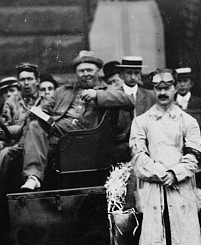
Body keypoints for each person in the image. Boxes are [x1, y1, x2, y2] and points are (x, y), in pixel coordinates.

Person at [130, 68, 201, 245]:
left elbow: (193, 155)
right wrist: (161, 173)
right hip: (153, 186)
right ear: (153, 90)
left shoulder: (188, 122)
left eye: (167, 86)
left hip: (180, 186)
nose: (162, 91)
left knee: (184, 233)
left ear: (176, 88)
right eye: (157, 87)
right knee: (153, 236)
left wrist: (176, 173)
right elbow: (138, 157)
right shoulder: (141, 122)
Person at [20, 50, 134, 191]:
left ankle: (35, 176)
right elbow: (45, 108)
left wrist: (97, 94)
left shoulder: (109, 89)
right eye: (81, 71)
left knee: (31, 147)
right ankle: (33, 178)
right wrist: (39, 112)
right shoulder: (63, 91)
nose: (85, 74)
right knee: (34, 128)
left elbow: (129, 101)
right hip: (58, 130)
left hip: (86, 135)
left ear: (98, 70)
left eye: (89, 70)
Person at [0, 63, 43, 191]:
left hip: (31, 142)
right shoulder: (12, 102)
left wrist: (16, 130)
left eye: (30, 79)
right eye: (22, 79)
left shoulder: (46, 100)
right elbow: (4, 125)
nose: (26, 83)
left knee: (5, 153)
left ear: (37, 81)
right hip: (10, 140)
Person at [114, 56, 156, 162]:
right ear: (121, 74)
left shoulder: (150, 95)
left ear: (140, 74)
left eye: (136, 73)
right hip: (121, 147)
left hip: (147, 146)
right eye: (129, 73)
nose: (133, 77)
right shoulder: (114, 95)